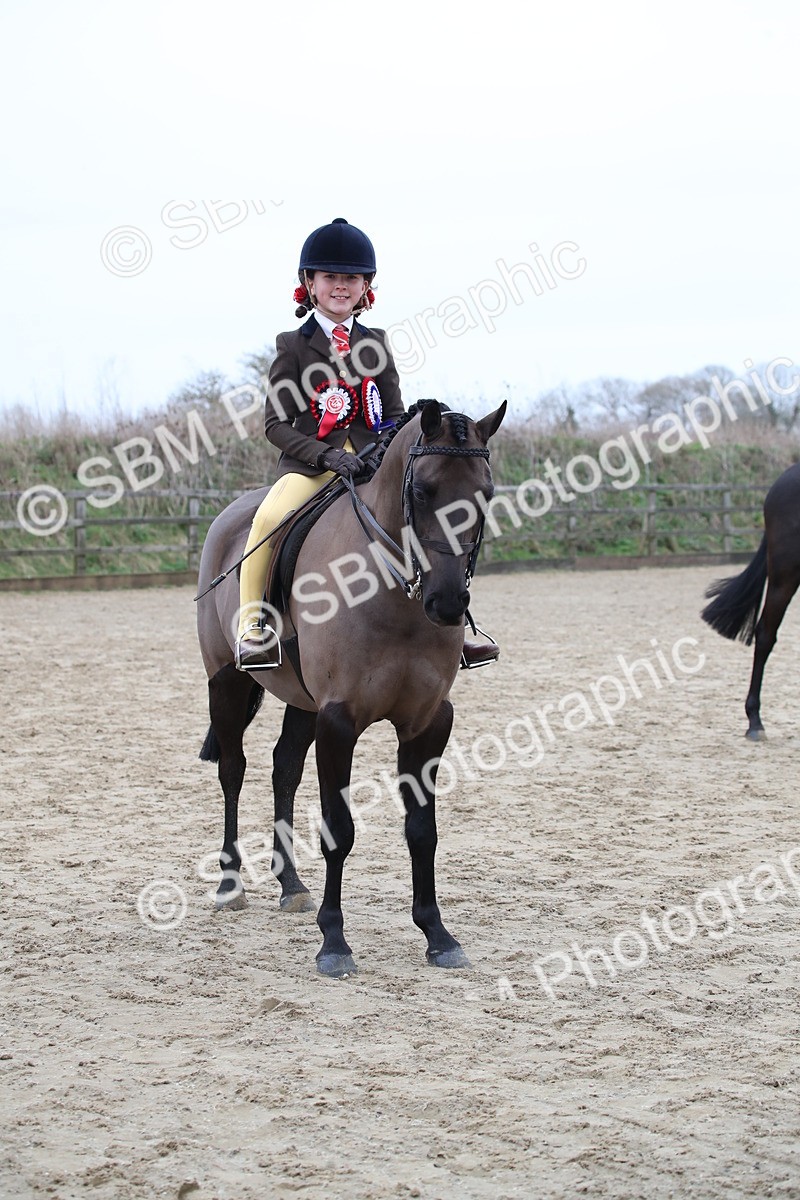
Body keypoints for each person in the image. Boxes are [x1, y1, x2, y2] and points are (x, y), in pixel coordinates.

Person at [234, 217, 500, 672]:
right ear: (310, 284)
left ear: (365, 287)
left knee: (428, 518)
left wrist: (385, 446)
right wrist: (329, 456)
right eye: (331, 277)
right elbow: (276, 424)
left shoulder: (376, 342)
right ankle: (254, 627)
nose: (341, 286)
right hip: (311, 467)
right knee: (268, 519)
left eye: (351, 279)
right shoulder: (293, 346)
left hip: (376, 464)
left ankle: (455, 630)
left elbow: (395, 413)